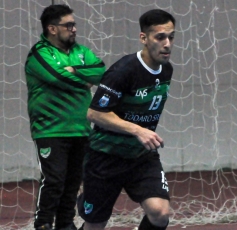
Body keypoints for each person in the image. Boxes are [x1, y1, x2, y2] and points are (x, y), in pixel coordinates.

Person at [77, 9, 176, 230]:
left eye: (171, 37)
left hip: (141, 157)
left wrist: (141, 136)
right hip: (105, 158)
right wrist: (138, 130)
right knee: (96, 224)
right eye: (160, 37)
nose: (167, 43)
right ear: (144, 38)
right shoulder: (123, 71)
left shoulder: (166, 70)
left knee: (160, 213)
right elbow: (95, 113)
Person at [24, 4, 105, 230]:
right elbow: (58, 78)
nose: (74, 29)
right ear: (52, 29)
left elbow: (101, 71)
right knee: (54, 181)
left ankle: (65, 224)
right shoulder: (39, 53)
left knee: (72, 184)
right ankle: (43, 224)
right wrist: (82, 79)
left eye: (74, 24)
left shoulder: (81, 51)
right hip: (50, 129)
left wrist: (75, 71)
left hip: (80, 128)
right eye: (68, 25)